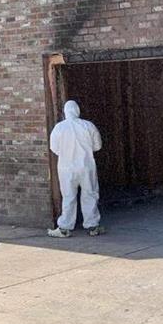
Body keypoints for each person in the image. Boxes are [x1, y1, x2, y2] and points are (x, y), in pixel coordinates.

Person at [47, 100, 103, 238]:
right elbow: (98, 146)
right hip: (86, 166)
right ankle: (92, 225)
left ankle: (65, 227)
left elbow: (54, 148)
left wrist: (67, 153)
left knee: (68, 197)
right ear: (78, 110)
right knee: (90, 194)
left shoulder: (59, 128)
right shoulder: (88, 126)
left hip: (67, 168)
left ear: (65, 112)